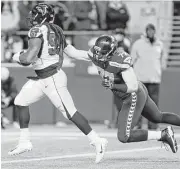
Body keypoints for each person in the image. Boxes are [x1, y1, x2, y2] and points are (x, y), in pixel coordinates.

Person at [9, 3, 107, 164]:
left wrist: (17, 57)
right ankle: (24, 141)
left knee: (70, 112)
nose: (32, 18)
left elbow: (28, 59)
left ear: (41, 16)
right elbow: (73, 53)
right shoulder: (57, 29)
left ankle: (97, 141)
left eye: (34, 15)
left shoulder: (36, 31)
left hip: (51, 78)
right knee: (20, 101)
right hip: (44, 77)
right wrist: (92, 55)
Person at [67, 35, 180, 153]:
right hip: (136, 92)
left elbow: (133, 87)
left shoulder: (119, 61)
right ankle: (165, 133)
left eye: (102, 53)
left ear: (110, 52)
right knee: (158, 117)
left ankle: (163, 134)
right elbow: (75, 53)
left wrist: (112, 85)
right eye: (97, 52)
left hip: (133, 96)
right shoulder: (96, 55)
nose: (97, 56)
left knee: (124, 136)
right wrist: (62, 43)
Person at [131, 23, 166, 130]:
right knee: (140, 102)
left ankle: (153, 125)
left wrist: (159, 71)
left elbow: (162, 60)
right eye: (148, 30)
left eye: (152, 30)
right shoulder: (138, 44)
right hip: (141, 78)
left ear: (154, 32)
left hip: (154, 78)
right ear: (145, 32)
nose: (150, 33)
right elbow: (132, 60)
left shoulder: (159, 44)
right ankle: (138, 124)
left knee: (154, 104)